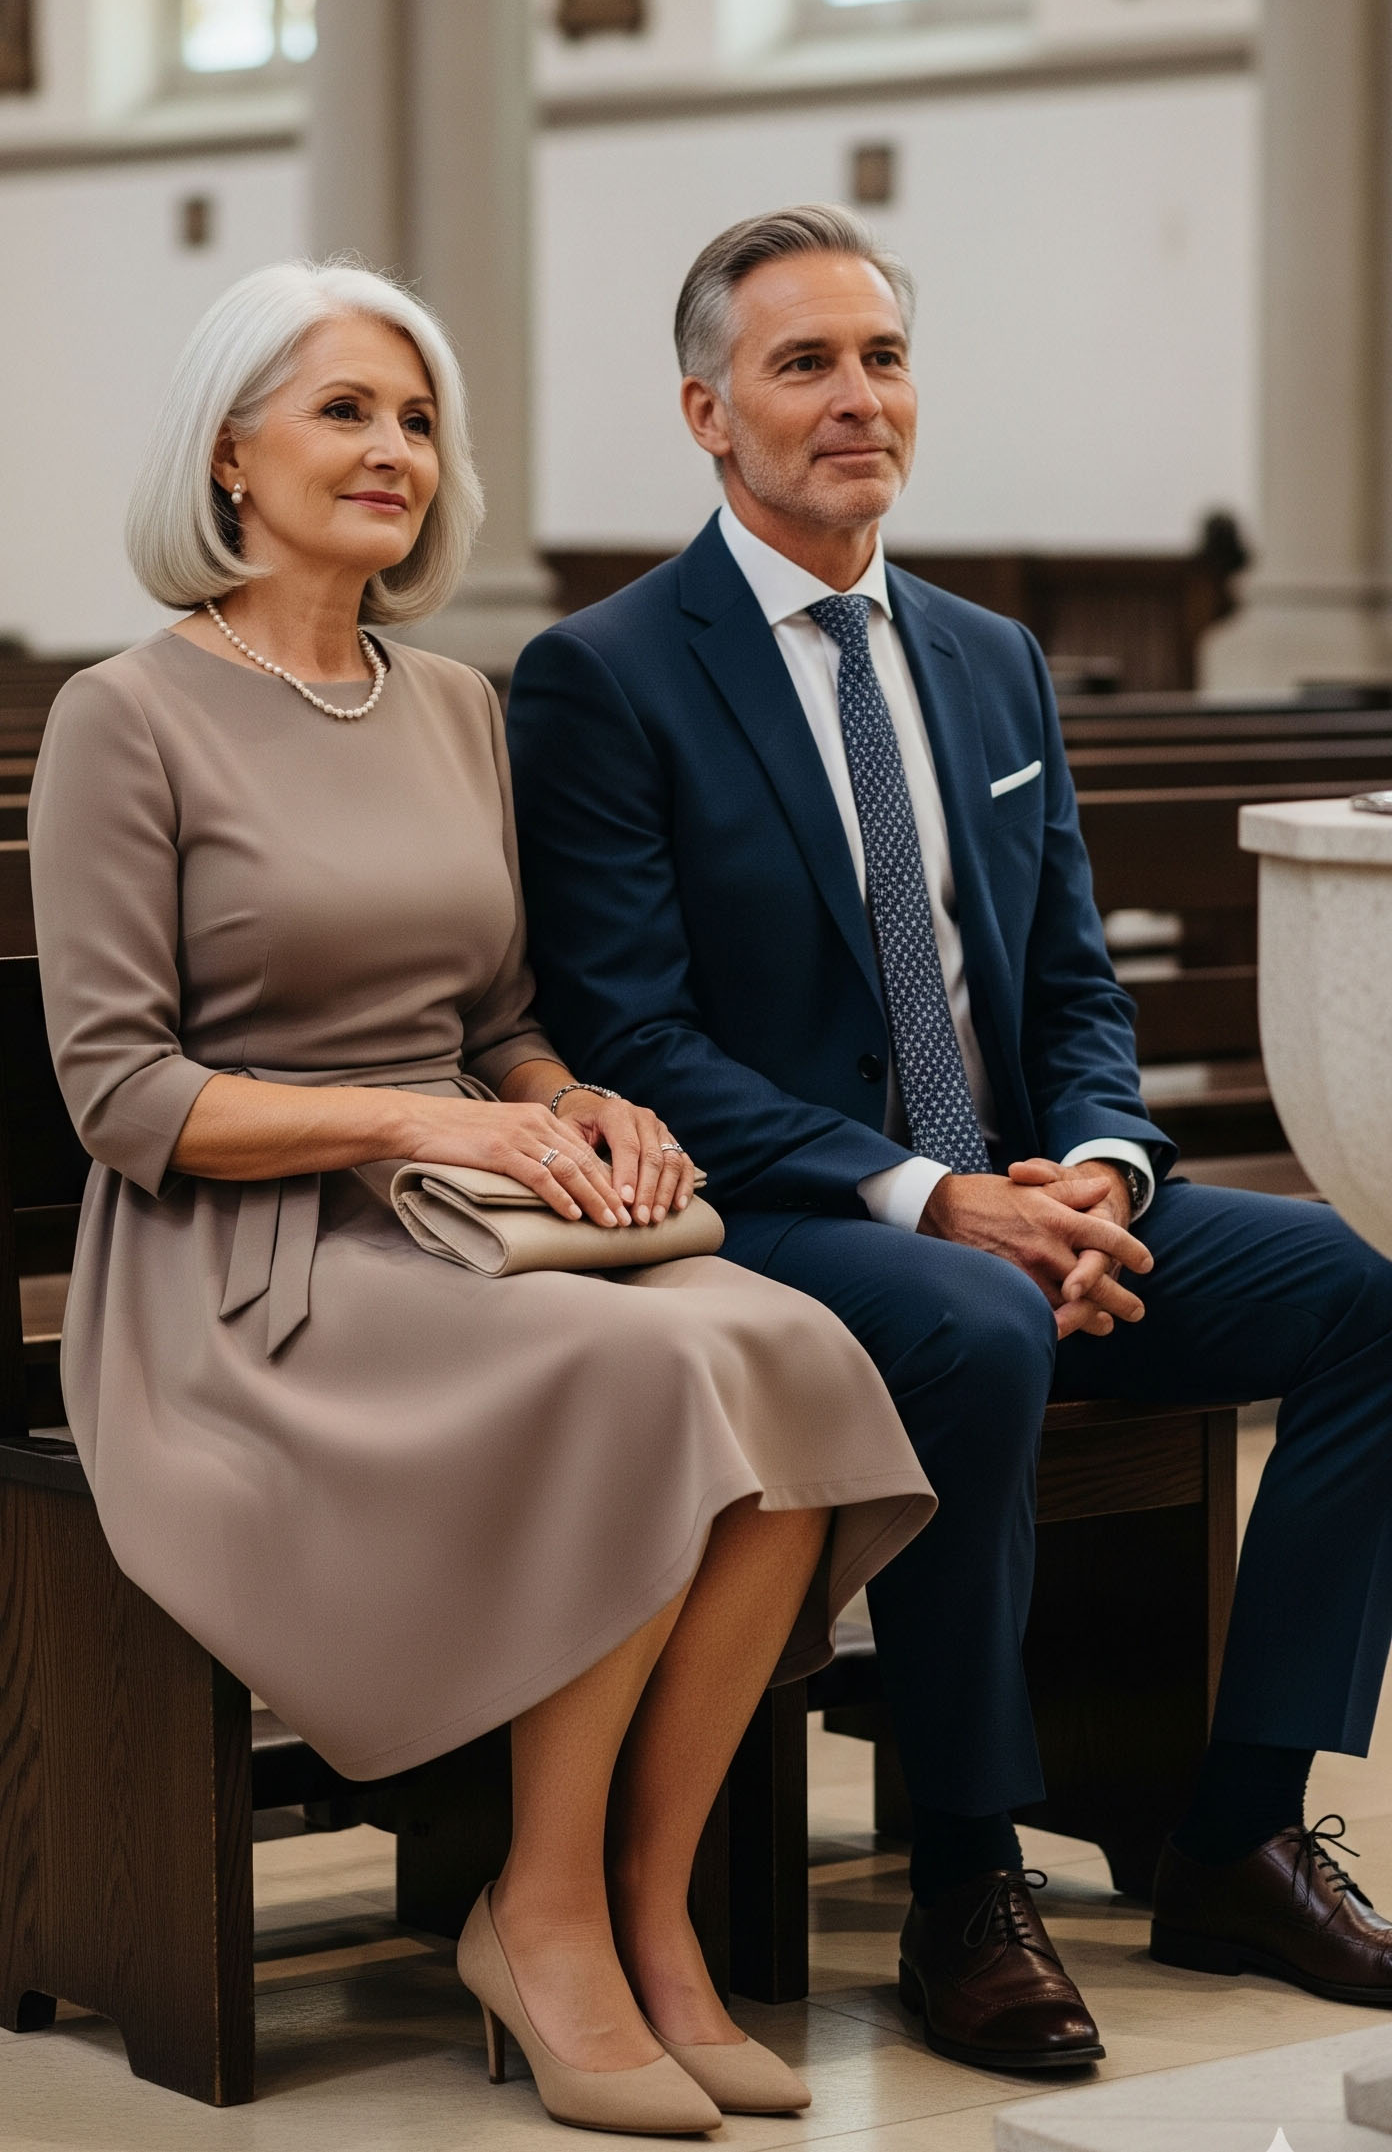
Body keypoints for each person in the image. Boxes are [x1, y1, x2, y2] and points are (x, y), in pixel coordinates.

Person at [27, 258, 935, 2137]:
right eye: (346, 410)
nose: (394, 452)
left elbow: (503, 1023)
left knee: (799, 1355)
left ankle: (649, 1915)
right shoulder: (130, 717)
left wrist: (579, 1110)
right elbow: (125, 1098)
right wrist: (427, 1127)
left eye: (419, 420)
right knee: (644, 1387)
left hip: (465, 1222)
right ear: (225, 457)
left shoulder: (450, 701)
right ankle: (537, 1913)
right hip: (241, 1279)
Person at [506, 204, 1392, 2078]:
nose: (855, 401)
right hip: (774, 1215)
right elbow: (634, 1033)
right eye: (802, 365)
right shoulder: (607, 674)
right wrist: (930, 1193)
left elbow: (1070, 977)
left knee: (1356, 1294)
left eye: (882, 358)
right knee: (968, 1320)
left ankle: (1235, 1827)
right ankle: (967, 1878)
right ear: (706, 412)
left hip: (1012, 1188)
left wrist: (1098, 1170)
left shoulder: (987, 660)